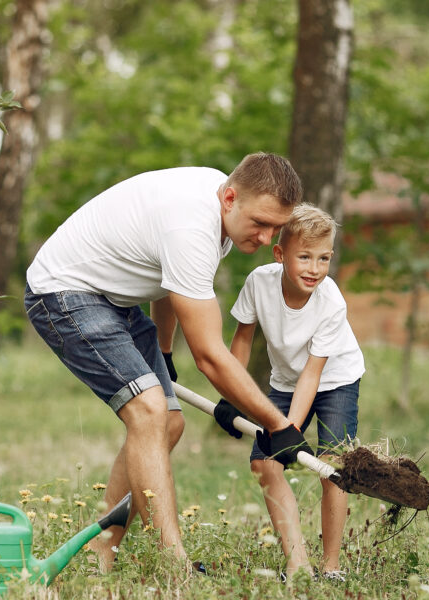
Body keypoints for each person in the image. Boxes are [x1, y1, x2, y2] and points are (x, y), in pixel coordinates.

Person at [23, 152, 312, 573]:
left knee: (169, 423)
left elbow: (172, 283)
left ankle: (100, 553)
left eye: (276, 227)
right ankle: (173, 562)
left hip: (114, 298)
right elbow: (211, 356)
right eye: (261, 223)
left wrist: (163, 351)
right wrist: (278, 424)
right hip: (64, 294)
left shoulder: (223, 211)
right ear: (230, 198)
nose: (268, 238)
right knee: (149, 410)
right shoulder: (192, 225)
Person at [218, 204, 365, 580]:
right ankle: (298, 562)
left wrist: (290, 430)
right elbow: (242, 341)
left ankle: (331, 566)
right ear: (280, 255)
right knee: (263, 463)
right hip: (284, 382)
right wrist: (232, 397)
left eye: (324, 258)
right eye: (304, 257)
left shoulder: (331, 301)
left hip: (335, 380)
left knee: (333, 467)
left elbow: (313, 375)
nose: (315, 268)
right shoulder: (258, 283)